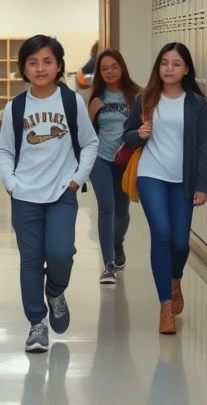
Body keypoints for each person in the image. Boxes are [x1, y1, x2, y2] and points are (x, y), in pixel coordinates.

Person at [0, 35, 98, 353]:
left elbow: (91, 142)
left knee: (61, 252)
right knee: (30, 259)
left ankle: (55, 290)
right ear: (23, 69)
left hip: (61, 192)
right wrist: (11, 184)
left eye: (47, 61)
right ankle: (37, 324)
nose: (40, 68)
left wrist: (76, 178)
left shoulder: (71, 102)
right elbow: (4, 151)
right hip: (25, 194)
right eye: (33, 62)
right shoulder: (16, 107)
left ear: (58, 65)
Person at [122, 42, 207, 335]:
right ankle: (165, 307)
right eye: (164, 63)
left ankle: (175, 280)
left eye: (176, 64)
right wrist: (139, 133)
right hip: (151, 173)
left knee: (180, 243)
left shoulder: (196, 102)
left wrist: (201, 184)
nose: (169, 69)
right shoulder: (146, 98)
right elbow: (128, 136)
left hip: (182, 178)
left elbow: (202, 146)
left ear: (186, 69)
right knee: (161, 234)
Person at [86, 49, 142, 283]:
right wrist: (90, 114)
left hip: (126, 158)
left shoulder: (136, 95)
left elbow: (144, 126)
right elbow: (85, 133)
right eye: (104, 68)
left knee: (121, 211)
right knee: (106, 207)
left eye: (114, 67)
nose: (110, 72)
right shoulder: (96, 97)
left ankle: (117, 243)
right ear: (99, 72)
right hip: (101, 156)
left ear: (122, 68)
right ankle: (108, 263)